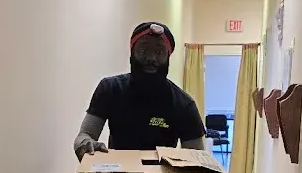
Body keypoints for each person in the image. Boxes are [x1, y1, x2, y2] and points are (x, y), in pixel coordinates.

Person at [74, 22, 205, 159]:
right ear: (132, 53)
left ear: (168, 57)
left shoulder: (184, 105)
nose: (151, 58)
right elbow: (84, 135)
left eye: (159, 52)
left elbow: (197, 159)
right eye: (143, 50)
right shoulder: (110, 89)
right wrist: (86, 144)